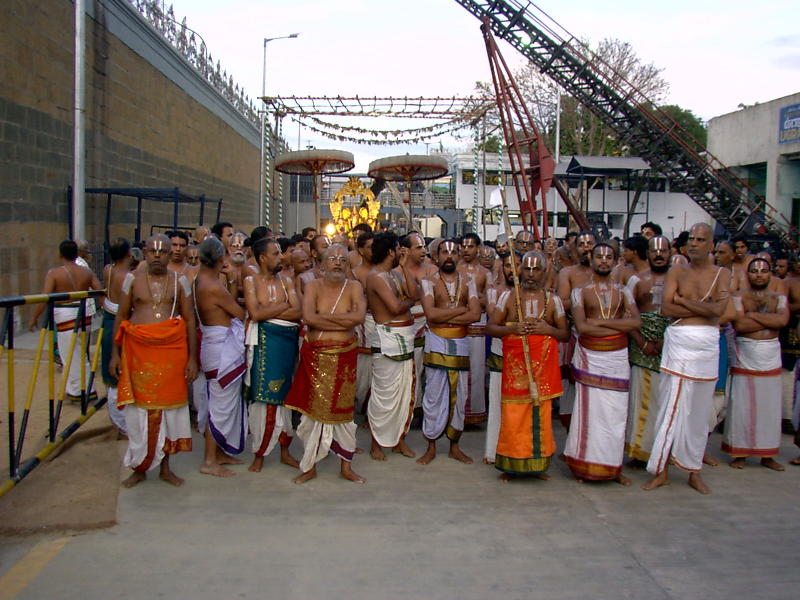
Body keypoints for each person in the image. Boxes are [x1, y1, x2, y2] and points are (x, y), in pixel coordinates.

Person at [644, 223, 731, 494]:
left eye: (700, 239)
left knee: (698, 412)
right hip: (680, 344)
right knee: (671, 409)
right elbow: (667, 308)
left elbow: (719, 311)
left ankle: (693, 471)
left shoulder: (722, 274)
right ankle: (662, 470)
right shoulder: (676, 271)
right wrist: (701, 309)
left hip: (707, 346)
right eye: (691, 238)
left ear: (710, 244)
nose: (693, 243)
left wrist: (686, 302)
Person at [109, 234, 197, 487]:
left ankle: (165, 468)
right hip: (138, 354)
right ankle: (139, 468)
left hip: (171, 354)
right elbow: (121, 317)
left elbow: (190, 319)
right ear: (144, 253)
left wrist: (192, 359)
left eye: (163, 252)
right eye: (152, 251)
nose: (157, 255)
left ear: (171, 254)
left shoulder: (180, 281)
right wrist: (114, 353)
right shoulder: (131, 280)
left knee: (170, 412)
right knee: (139, 413)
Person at [285, 243, 367, 484]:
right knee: (312, 417)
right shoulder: (312, 286)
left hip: (345, 357)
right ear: (321, 264)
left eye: (343, 259)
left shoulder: (354, 287)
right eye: (332, 258)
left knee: (344, 415)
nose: (338, 262)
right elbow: (308, 318)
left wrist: (323, 320)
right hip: (316, 358)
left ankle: (346, 467)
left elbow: (359, 318)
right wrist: (343, 321)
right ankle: (309, 466)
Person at [486, 251, 568, 480]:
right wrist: (511, 329)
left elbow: (564, 334)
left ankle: (538, 466)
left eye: (536, 269)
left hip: (542, 374)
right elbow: (491, 328)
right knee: (513, 417)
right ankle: (510, 466)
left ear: (544, 272)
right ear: (520, 270)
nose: (531, 274)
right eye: (527, 269)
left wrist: (548, 330)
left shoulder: (554, 301)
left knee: (540, 418)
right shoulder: (508, 298)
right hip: (515, 372)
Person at [565, 244, 640, 484]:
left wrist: (600, 324)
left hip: (617, 358)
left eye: (609, 257)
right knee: (589, 413)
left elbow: (636, 323)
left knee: (616, 414)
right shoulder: (580, 292)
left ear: (615, 260)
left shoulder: (624, 291)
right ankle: (583, 467)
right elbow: (582, 326)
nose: (604, 261)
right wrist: (618, 324)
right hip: (592, 357)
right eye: (599, 257)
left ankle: (613, 468)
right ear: (592, 259)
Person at [417, 240, 481, 465]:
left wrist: (448, 313)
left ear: (460, 256)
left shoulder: (469, 282)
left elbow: (475, 315)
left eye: (454, 252)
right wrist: (461, 309)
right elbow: (431, 315)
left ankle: (455, 446)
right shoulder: (427, 282)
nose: (450, 256)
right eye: (445, 252)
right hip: (436, 341)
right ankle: (431, 445)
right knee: (433, 395)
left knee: (459, 395)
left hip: (460, 343)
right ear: (436, 257)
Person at [722, 258, 788, 469]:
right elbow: (740, 324)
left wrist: (753, 315)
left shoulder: (779, 298)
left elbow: (782, 322)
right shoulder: (738, 297)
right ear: (748, 274)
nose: (759, 274)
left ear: (770, 274)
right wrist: (768, 317)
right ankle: (739, 453)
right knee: (742, 404)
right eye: (755, 271)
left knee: (770, 406)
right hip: (746, 353)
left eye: (764, 271)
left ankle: (767, 455)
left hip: (770, 353)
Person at [244, 238, 302, 472]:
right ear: (262, 258)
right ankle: (260, 453)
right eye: (276, 253)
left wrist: (268, 312)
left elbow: (298, 311)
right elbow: (255, 314)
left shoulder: (287, 280)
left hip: (286, 342)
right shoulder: (250, 280)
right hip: (265, 342)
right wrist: (281, 307)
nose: (282, 257)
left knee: (285, 397)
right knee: (263, 396)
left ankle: (285, 451)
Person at [194, 237, 247, 477]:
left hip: (215, 344)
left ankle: (219, 453)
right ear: (219, 258)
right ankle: (208, 460)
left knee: (221, 402)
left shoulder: (202, 280)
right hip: (220, 349)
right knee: (219, 406)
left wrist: (231, 282)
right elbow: (238, 311)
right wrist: (234, 280)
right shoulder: (212, 286)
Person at [365, 232, 418, 460]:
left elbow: (415, 294)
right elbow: (396, 307)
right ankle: (377, 443)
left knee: (404, 394)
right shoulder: (376, 276)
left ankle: (399, 440)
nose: (402, 253)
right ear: (390, 251)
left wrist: (404, 267)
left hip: (404, 338)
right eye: (399, 250)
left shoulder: (393, 274)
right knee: (383, 395)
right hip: (387, 338)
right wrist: (409, 304)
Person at [29, 240, 102, 402]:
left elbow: (44, 297)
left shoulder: (54, 273)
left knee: (70, 354)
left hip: (66, 315)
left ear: (60, 255)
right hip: (84, 314)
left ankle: (78, 390)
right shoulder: (86, 272)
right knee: (80, 353)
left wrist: (34, 317)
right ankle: (85, 387)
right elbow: (99, 291)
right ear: (77, 254)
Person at [625, 235, 671, 465]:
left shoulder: (677, 280)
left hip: (671, 348)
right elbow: (625, 314)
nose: (659, 254)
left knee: (667, 402)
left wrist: (666, 340)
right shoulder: (636, 281)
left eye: (663, 250)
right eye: (654, 250)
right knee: (642, 402)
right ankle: (640, 452)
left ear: (670, 253)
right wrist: (642, 342)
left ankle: (664, 451)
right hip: (642, 348)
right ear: (648, 253)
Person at [555, 230, 597, 429]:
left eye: (590, 243)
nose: (586, 248)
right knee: (571, 388)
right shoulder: (568, 273)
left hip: (604, 338)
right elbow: (561, 304)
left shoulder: (612, 272)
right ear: (574, 249)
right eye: (582, 244)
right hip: (574, 335)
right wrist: (584, 300)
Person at [482, 253, 514, 463]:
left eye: (518, 265)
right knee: (497, 402)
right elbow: (494, 320)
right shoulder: (494, 291)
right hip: (501, 350)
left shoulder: (538, 295)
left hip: (526, 355)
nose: (513, 270)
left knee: (520, 407)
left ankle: (518, 453)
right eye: (509, 265)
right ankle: (494, 451)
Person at [100, 238, 132, 435]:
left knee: (112, 372)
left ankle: (119, 422)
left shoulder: (108, 270)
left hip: (108, 318)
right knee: (118, 372)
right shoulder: (127, 277)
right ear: (128, 254)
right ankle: (122, 423)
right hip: (119, 322)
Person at [459, 233, 490, 425]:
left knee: (477, 370)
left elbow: (490, 300)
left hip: (478, 325)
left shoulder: (485, 273)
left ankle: (474, 414)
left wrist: (472, 299)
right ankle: (455, 414)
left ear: (478, 247)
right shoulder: (454, 268)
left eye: (470, 246)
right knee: (458, 369)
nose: (466, 250)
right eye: (463, 246)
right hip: (458, 323)